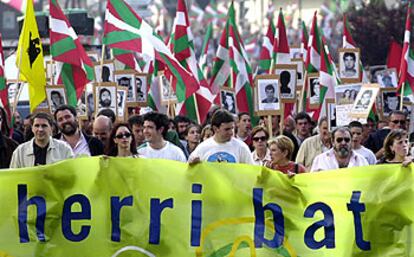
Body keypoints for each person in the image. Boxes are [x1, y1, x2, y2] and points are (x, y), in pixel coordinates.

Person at [10, 112, 74, 168]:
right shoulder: (20, 151)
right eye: (37, 126)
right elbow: (14, 175)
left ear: (51, 128)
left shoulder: (64, 149)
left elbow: (71, 173)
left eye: (44, 126)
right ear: (32, 128)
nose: (40, 129)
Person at [188, 109, 254, 164]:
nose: (231, 132)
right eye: (227, 129)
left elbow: (252, 172)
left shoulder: (241, 147)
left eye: (232, 128)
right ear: (215, 129)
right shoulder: (202, 148)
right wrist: (194, 164)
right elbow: (189, 171)